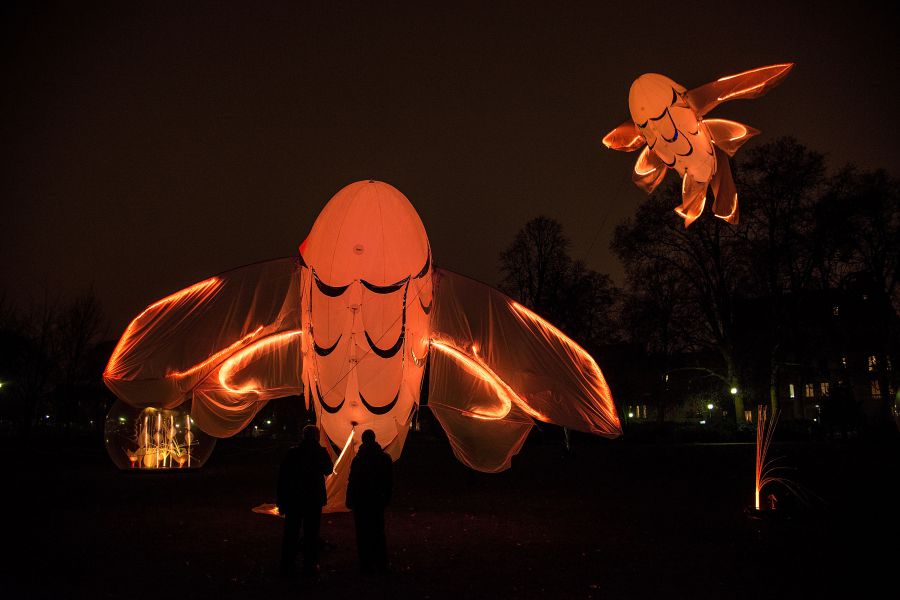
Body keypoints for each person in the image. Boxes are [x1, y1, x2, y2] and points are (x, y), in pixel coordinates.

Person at [277, 424, 334, 577]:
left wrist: (281, 500)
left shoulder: (293, 453)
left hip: (294, 498)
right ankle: (310, 564)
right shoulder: (320, 452)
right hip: (313, 499)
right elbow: (329, 470)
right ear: (316, 436)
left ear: (303, 436)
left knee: (291, 532)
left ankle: (288, 564)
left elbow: (283, 477)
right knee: (312, 532)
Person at [346, 429, 393, 574]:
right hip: (377, 499)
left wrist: (350, 498)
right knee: (378, 530)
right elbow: (389, 480)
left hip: (361, 500)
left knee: (362, 532)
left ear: (363, 440)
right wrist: (386, 497)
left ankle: (366, 561)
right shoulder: (384, 458)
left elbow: (353, 481)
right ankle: (380, 561)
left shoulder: (359, 459)